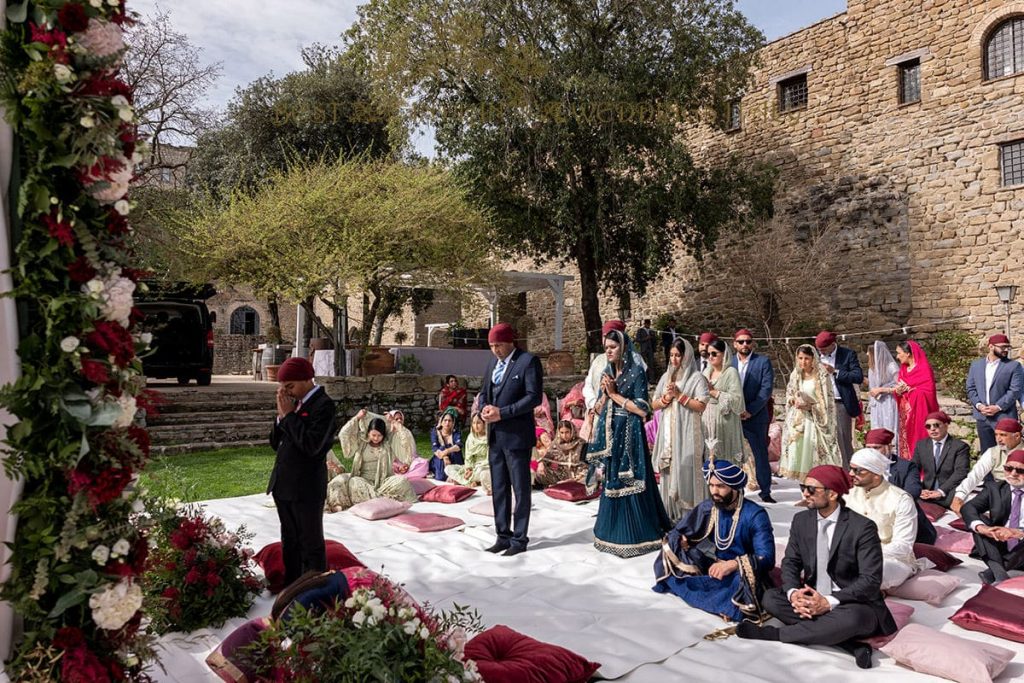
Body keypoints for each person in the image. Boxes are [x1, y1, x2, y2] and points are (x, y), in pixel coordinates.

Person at [736, 465, 897, 670]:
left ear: (832, 494)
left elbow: (870, 581)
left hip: (851, 604)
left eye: (812, 489)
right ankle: (849, 644)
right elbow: (791, 563)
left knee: (854, 618)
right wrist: (794, 593)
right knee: (771, 598)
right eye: (803, 487)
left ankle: (775, 635)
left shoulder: (862, 528)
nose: (805, 493)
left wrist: (828, 602)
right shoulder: (801, 520)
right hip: (813, 598)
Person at [652, 459, 775, 622]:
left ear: (735, 487)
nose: (714, 491)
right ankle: (723, 603)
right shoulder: (708, 508)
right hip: (713, 566)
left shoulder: (755, 515)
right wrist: (683, 540)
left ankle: (724, 601)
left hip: (742, 572)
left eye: (721, 486)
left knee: (740, 582)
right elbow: (677, 531)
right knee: (671, 548)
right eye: (711, 485)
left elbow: (767, 557)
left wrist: (732, 565)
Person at [586, 327, 671, 556]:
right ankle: (611, 532)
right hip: (611, 433)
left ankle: (636, 534)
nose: (609, 351)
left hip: (630, 434)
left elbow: (643, 409)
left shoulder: (637, 372)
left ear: (623, 348)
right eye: (606, 348)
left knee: (632, 481)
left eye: (612, 347)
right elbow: (601, 406)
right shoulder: (607, 371)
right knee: (611, 480)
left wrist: (615, 395)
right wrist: (603, 396)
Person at [268, 357, 337, 587]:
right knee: (289, 540)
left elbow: (311, 445)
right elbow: (274, 442)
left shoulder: (323, 405)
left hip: (306, 487)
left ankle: (315, 590)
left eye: (290, 386)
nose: (286, 392)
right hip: (284, 484)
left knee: (310, 542)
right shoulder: (291, 404)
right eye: (283, 388)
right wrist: (281, 418)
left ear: (308, 379)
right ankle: (291, 586)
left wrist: (289, 416)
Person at [479, 323, 544, 556]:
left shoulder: (528, 362)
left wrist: (503, 412)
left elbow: (533, 397)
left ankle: (519, 539)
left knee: (520, 488)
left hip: (517, 436)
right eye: (492, 346)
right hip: (495, 436)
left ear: (510, 342)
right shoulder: (491, 363)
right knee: (499, 487)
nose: (495, 350)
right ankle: (502, 535)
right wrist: (482, 409)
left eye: (499, 345)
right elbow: (483, 392)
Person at [845, 448, 921, 590]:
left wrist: (864, 555)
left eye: (857, 470)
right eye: (851, 469)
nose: (851, 474)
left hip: (890, 560)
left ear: (876, 474)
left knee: (878, 571)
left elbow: (903, 545)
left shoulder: (901, 499)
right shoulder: (847, 494)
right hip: (848, 555)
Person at [652, 338, 709, 519]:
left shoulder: (696, 377)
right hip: (668, 432)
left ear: (687, 356)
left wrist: (680, 396)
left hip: (688, 432)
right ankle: (671, 514)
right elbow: (653, 404)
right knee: (669, 470)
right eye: (671, 355)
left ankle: (691, 517)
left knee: (686, 468)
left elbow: (701, 405)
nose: (674, 360)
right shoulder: (665, 377)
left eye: (678, 355)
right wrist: (667, 398)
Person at [330, 410, 418, 510]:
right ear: (368, 434)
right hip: (364, 481)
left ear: (383, 435)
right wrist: (357, 418)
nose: (376, 438)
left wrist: (393, 422)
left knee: (402, 481)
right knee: (354, 482)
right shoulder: (361, 443)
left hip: (384, 482)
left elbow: (407, 439)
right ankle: (382, 501)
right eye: (373, 435)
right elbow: (344, 434)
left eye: (379, 436)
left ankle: (376, 500)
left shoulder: (388, 443)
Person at [779, 345, 840, 482]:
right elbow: (789, 393)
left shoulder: (822, 376)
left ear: (813, 359)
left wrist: (811, 407)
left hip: (815, 421)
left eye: (807, 358)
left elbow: (827, 401)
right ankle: (804, 491)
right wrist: (793, 400)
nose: (803, 362)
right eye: (800, 358)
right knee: (798, 456)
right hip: (798, 421)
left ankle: (817, 487)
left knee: (812, 456)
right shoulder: (795, 374)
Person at [962, 449, 1024, 585]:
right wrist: (982, 528)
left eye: (1020, 471)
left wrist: (1017, 532)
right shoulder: (996, 488)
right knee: (980, 521)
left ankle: (994, 572)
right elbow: (969, 507)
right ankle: (1000, 574)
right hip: (999, 542)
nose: (1013, 474)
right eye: (1009, 468)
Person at [866, 428, 936, 545]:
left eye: (876, 448)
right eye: (868, 448)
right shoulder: (860, 466)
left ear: (889, 447)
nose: (871, 452)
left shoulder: (906, 467)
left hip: (900, 517)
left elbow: (912, 491)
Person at [733, 329, 777, 503]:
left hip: (756, 416)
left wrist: (750, 410)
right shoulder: (729, 363)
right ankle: (735, 489)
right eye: (741, 341)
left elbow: (766, 390)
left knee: (760, 455)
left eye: (748, 341)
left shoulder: (763, 362)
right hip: (733, 417)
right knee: (733, 455)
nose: (745, 344)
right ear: (734, 343)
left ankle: (765, 491)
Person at [952, 417, 1023, 514]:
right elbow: (975, 475)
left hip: (1020, 494)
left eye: (1003, 435)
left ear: (1017, 436)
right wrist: (959, 496)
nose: (998, 439)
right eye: (996, 435)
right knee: (969, 508)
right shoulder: (993, 452)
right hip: (999, 494)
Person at [966, 334, 1023, 453]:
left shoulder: (1014, 366)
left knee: (1008, 454)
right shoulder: (976, 365)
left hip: (1005, 416)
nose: (1006, 350)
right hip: (982, 417)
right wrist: (979, 405)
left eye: (1008, 347)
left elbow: (1015, 390)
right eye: (1002, 347)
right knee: (987, 455)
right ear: (991, 346)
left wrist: (997, 407)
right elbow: (971, 388)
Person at [814, 331, 864, 469]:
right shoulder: (815, 356)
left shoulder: (847, 354)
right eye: (819, 350)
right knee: (822, 439)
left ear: (832, 345)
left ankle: (849, 471)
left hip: (840, 402)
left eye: (824, 350)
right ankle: (826, 469)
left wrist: (835, 371)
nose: (821, 353)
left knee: (842, 438)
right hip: (820, 403)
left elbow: (858, 376)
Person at [882, 341, 939, 460]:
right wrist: (898, 391)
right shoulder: (903, 369)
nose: (897, 357)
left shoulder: (924, 369)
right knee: (905, 440)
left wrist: (910, 390)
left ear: (908, 353)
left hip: (919, 413)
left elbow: (928, 393)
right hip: (905, 414)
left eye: (899, 353)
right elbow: (900, 390)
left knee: (918, 438)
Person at [583, 320, 648, 411]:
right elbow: (588, 385)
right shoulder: (597, 361)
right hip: (599, 411)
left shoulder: (635, 360)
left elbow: (639, 390)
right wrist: (593, 404)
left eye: (613, 346)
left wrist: (614, 395)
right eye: (604, 336)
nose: (606, 339)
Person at [910, 411, 970, 509]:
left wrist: (940, 491)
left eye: (936, 425)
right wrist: (919, 489)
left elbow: (961, 472)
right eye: (928, 426)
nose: (932, 429)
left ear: (946, 425)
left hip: (949, 493)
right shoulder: (921, 445)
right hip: (926, 494)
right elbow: (913, 469)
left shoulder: (960, 446)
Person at [701, 339, 745, 464]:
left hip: (726, 421)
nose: (710, 357)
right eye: (708, 354)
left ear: (724, 354)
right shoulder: (706, 372)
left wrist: (714, 392)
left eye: (714, 354)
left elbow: (738, 400)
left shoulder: (731, 372)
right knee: (710, 459)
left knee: (725, 459)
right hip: (707, 420)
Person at [866, 341, 901, 453]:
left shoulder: (891, 367)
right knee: (877, 429)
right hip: (877, 405)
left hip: (888, 403)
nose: (866, 354)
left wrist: (882, 390)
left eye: (868, 351)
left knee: (888, 428)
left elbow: (900, 387)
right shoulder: (872, 368)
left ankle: (892, 453)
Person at [445, 412, 492, 493]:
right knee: (448, 468)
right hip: (473, 468)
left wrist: (474, 469)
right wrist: (468, 469)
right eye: (473, 423)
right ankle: (468, 482)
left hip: (484, 467)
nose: (476, 426)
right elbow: (468, 457)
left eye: (478, 423)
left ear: (484, 423)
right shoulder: (471, 438)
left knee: (483, 473)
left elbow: (490, 459)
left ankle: (465, 481)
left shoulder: (489, 438)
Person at [534, 420, 588, 487]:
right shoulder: (556, 444)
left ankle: (566, 484)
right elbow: (547, 458)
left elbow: (587, 465)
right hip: (563, 475)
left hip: (579, 475)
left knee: (589, 476)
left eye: (567, 432)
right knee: (540, 474)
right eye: (562, 432)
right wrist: (541, 464)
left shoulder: (581, 443)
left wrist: (578, 477)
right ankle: (563, 483)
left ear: (572, 431)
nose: (564, 435)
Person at [385, 410, 429, 479]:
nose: (399, 421)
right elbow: (387, 453)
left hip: (408, 463)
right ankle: (404, 475)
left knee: (423, 463)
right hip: (395, 465)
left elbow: (411, 452)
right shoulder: (388, 434)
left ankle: (405, 475)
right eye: (396, 419)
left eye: (401, 419)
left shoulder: (407, 432)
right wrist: (398, 465)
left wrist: (407, 464)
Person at [429, 408, 463, 481]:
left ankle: (454, 474)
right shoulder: (435, 432)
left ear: (453, 423)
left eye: (449, 421)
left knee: (454, 450)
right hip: (440, 456)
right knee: (440, 477)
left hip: (454, 457)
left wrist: (446, 451)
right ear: (441, 422)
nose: (447, 423)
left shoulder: (456, 432)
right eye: (445, 420)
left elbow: (459, 445)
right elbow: (435, 448)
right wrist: (445, 457)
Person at [635, 319, 657, 383]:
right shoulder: (640, 330)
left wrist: (654, 348)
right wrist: (645, 339)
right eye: (647, 324)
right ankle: (645, 380)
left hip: (650, 350)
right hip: (644, 350)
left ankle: (652, 380)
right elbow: (637, 339)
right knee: (644, 365)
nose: (648, 325)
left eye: (649, 324)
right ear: (645, 324)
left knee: (651, 364)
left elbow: (654, 340)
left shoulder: (651, 331)